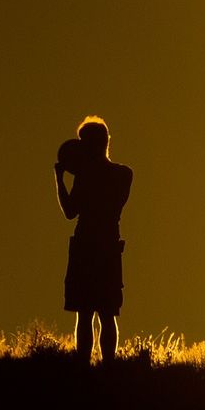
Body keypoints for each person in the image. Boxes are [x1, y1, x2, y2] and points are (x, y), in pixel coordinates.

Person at [54, 116, 133, 366]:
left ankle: (83, 367)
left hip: (86, 247)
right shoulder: (123, 174)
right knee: (108, 313)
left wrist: (59, 179)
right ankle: (108, 366)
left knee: (85, 313)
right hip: (109, 248)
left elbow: (69, 212)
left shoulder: (86, 177)